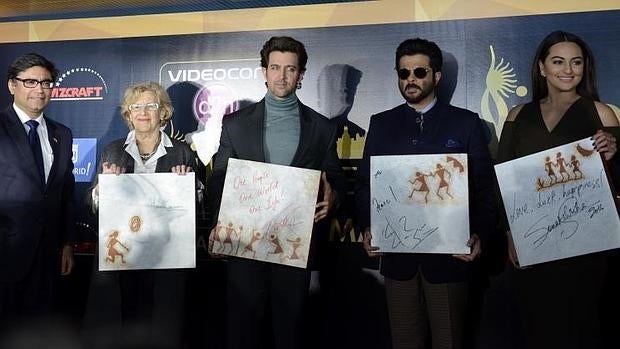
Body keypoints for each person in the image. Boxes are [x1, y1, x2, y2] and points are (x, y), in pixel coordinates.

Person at [356, 38, 496, 349]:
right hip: (398, 261)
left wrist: (480, 235)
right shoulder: (381, 124)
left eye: (419, 72)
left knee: (450, 341)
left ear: (436, 76)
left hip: (450, 259)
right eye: (403, 73)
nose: (411, 80)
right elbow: (366, 184)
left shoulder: (466, 123)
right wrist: (367, 227)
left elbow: (485, 189)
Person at [206, 36, 344, 349]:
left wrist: (333, 197)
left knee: (290, 330)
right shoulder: (235, 123)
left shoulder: (322, 127)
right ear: (264, 71)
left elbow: (333, 177)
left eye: (290, 69)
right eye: (275, 67)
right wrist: (218, 222)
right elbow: (220, 178)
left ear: (301, 75)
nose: (282, 76)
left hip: (294, 245)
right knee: (243, 329)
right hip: (245, 242)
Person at [497, 30, 618, 349]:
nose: (568, 69)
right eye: (558, 61)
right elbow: (505, 183)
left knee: (583, 327)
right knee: (538, 326)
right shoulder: (517, 116)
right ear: (542, 67)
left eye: (576, 62)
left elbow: (616, 181)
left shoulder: (601, 113)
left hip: (587, 246)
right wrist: (510, 234)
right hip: (533, 243)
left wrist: (614, 154)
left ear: (584, 68)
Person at [88, 82, 200, 348]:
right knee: (127, 322)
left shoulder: (182, 151)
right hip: (126, 258)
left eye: (151, 105)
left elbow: (199, 205)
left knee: (164, 325)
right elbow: (91, 202)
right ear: (128, 114)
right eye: (136, 106)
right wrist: (104, 188)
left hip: (167, 257)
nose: (143, 112)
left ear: (163, 112)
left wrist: (188, 188)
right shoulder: (112, 150)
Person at [0, 53, 75, 330]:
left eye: (46, 83)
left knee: (42, 330)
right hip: (6, 253)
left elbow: (66, 192)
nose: (39, 90)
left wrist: (67, 243)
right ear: (12, 85)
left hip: (49, 256)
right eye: (30, 82)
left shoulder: (62, 134)